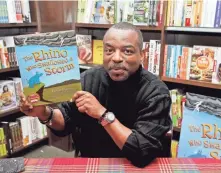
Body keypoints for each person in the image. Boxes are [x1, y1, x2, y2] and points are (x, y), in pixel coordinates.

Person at [20, 22, 172, 168]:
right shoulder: (87, 79)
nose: (116, 58)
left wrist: (102, 114)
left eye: (127, 51)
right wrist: (45, 113)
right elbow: (65, 120)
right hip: (92, 163)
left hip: (135, 167)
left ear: (142, 55)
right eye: (109, 50)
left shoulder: (156, 93)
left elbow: (141, 152)